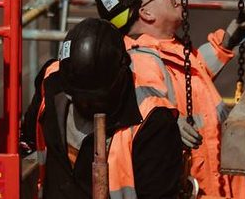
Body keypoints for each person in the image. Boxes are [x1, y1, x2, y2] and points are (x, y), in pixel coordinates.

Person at [96, 0, 245, 199]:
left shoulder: (166, 51)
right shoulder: (141, 61)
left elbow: (190, 76)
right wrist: (164, 124)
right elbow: (146, 101)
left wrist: (224, 43)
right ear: (146, 13)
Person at [22, 18, 185, 199]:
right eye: (79, 97)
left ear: (122, 73)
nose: (86, 104)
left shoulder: (153, 121)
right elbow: (28, 140)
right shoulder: (51, 82)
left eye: (95, 98)